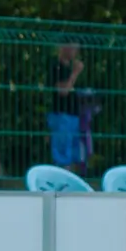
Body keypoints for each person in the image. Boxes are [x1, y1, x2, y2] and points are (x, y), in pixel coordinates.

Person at [48, 42, 86, 171]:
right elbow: (63, 91)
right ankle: (62, 182)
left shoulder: (70, 67)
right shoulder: (56, 67)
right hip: (61, 115)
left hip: (73, 115)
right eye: (72, 47)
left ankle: (73, 182)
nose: (75, 51)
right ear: (63, 47)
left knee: (75, 153)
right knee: (63, 153)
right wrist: (75, 73)